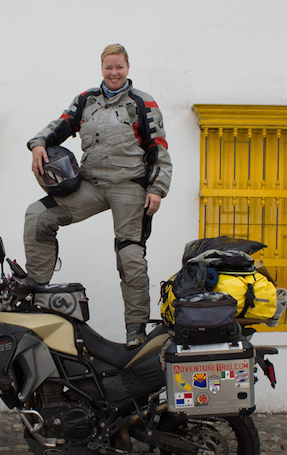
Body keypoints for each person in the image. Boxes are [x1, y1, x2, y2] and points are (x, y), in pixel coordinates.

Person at [22, 44, 172, 347]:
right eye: (108, 67)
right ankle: (34, 289)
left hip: (129, 186)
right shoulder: (86, 100)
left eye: (119, 67)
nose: (113, 73)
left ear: (128, 68)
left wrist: (157, 189)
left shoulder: (144, 103)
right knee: (38, 215)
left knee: (130, 256)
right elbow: (60, 126)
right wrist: (38, 143)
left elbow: (159, 148)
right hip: (90, 185)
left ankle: (136, 331)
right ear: (101, 69)